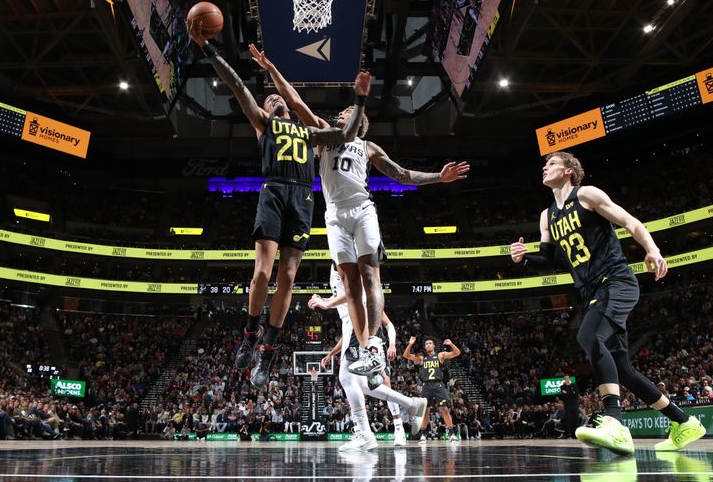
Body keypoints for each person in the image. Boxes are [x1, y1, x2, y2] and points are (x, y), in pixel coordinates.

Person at [249, 44, 469, 383]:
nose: (342, 114)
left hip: (362, 208)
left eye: (349, 111)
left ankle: (373, 348)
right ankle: (364, 345)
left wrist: (439, 177)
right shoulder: (323, 134)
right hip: (334, 215)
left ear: (359, 121)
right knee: (350, 284)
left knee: (370, 277)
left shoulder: (368, 146)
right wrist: (272, 70)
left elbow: (403, 175)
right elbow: (295, 102)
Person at [186, 20, 369, 387]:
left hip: (302, 196)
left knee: (287, 278)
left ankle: (267, 352)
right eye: (269, 99)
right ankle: (250, 335)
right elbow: (237, 85)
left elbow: (348, 132)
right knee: (261, 274)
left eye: (277, 98)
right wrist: (207, 48)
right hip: (273, 192)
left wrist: (361, 99)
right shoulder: (263, 123)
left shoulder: (312, 131)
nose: (274, 100)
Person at [510, 151, 706, 455]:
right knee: (622, 369)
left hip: (616, 281)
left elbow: (629, 220)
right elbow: (547, 259)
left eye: (551, 163)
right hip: (590, 291)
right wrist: (522, 260)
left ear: (569, 170)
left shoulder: (586, 194)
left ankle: (614, 421)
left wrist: (652, 249)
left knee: (588, 337)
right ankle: (683, 422)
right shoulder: (546, 216)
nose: (544, 167)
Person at [311, 265, 427, 451]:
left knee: (347, 378)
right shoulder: (336, 262)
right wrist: (332, 352)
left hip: (359, 323)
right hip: (350, 324)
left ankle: (366, 434)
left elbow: (357, 291)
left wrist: (326, 302)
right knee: (363, 384)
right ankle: (412, 404)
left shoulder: (344, 259)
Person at [403, 336, 462, 441]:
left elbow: (457, 353)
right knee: (425, 411)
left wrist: (451, 344)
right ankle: (423, 434)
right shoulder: (422, 358)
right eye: (426, 344)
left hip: (438, 385)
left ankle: (452, 434)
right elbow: (406, 355)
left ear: (434, 345)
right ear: (425, 347)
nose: (428, 345)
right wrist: (410, 344)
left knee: (444, 409)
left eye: (430, 343)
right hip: (426, 386)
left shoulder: (440, 355)